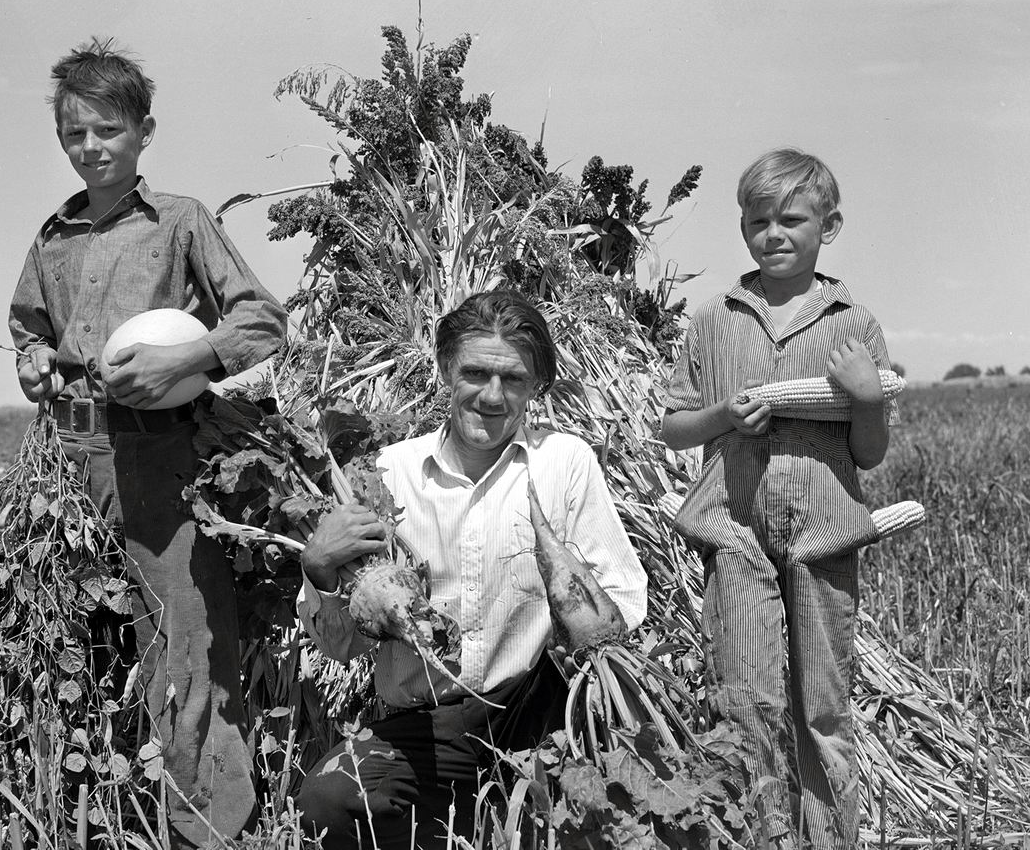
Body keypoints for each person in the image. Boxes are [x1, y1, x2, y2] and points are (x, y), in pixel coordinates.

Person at [8, 38, 287, 847]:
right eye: (75, 135)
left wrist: (191, 352)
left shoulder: (181, 222)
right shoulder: (51, 239)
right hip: (65, 467)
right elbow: (27, 327)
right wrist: (32, 364)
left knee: (184, 645)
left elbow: (262, 319)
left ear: (144, 131)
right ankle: (84, 814)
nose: (91, 148)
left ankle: (207, 828)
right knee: (73, 638)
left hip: (163, 461)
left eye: (107, 131)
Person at [294, 289, 648, 849]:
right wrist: (319, 567)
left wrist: (576, 619)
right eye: (476, 373)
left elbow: (625, 598)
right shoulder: (390, 473)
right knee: (326, 803)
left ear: (536, 386)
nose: (492, 395)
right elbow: (345, 647)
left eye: (513, 380)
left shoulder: (564, 463)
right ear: (444, 371)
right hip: (429, 726)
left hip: (542, 713)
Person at [660, 148, 897, 849]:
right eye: (757, 220)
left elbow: (870, 452)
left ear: (830, 224)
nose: (773, 233)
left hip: (824, 535)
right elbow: (673, 427)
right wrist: (725, 418)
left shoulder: (856, 324)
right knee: (747, 706)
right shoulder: (714, 319)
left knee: (823, 709)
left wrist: (866, 398)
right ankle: (757, 837)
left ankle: (829, 840)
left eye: (791, 219)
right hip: (734, 531)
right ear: (742, 227)